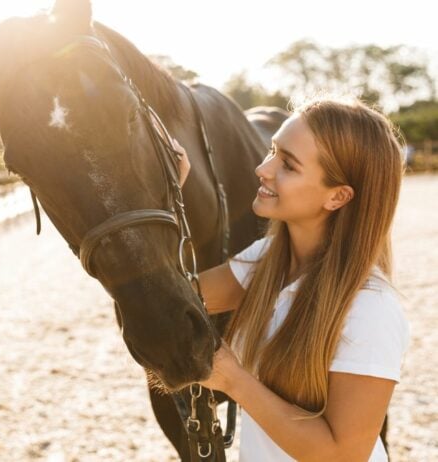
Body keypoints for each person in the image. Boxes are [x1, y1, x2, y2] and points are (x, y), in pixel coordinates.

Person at [173, 96, 410, 462]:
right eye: (272, 151)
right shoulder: (267, 261)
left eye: (288, 165)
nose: (263, 169)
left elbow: (344, 454)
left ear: (337, 196)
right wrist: (170, 196)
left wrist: (234, 380)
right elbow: (172, 303)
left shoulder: (370, 307)